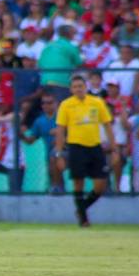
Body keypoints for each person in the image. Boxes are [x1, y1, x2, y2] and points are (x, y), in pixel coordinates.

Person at [54, 75, 117, 227]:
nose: (78, 89)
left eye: (80, 86)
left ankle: (82, 208)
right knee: (78, 183)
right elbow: (61, 130)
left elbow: (107, 124)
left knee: (100, 185)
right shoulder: (66, 105)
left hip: (95, 146)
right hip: (76, 147)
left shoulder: (96, 102)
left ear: (86, 87)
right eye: (75, 87)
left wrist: (114, 148)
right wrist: (59, 153)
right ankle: (83, 219)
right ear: (71, 89)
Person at [21, 92, 63, 193]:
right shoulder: (40, 121)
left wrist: (60, 135)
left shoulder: (63, 117)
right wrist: (19, 134)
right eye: (43, 103)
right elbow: (30, 141)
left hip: (67, 151)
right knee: (52, 163)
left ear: (56, 103)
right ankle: (57, 189)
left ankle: (56, 187)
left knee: (54, 157)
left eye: (49, 103)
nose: (45, 105)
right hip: (50, 156)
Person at [38, 23, 82, 101]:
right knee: (60, 108)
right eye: (73, 33)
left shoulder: (48, 45)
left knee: (50, 107)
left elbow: (39, 64)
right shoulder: (70, 46)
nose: (74, 35)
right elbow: (79, 63)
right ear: (69, 34)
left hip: (45, 81)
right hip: (61, 83)